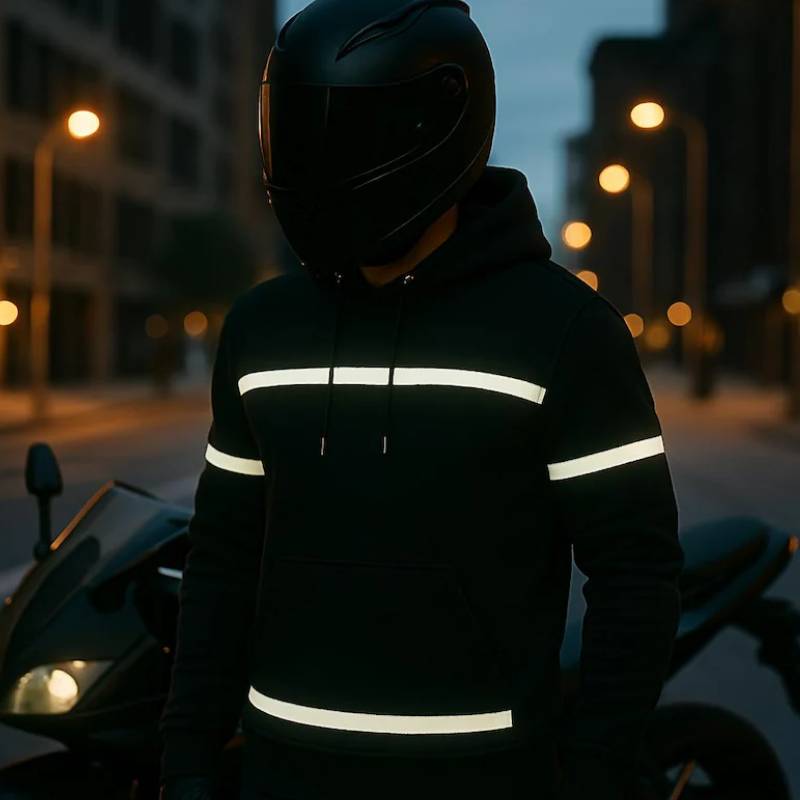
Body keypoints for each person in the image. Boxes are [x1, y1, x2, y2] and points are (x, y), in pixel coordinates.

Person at [157, 1, 685, 798]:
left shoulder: (564, 329)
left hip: (484, 779)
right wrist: (187, 759)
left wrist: (595, 773)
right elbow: (222, 560)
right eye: (304, 128)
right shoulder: (262, 328)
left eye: (352, 130)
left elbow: (636, 574)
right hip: (280, 774)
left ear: (436, 125)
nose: (320, 158)